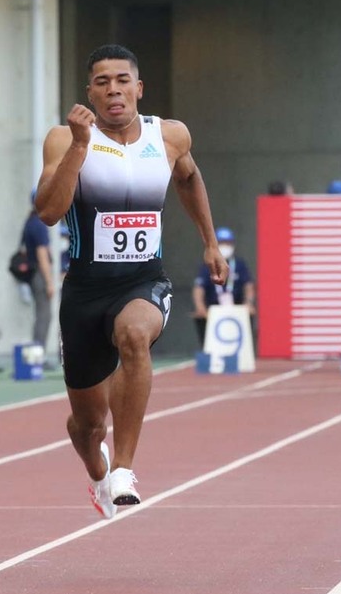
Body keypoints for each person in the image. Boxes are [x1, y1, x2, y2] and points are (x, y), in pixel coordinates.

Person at [34, 44, 228, 519]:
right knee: (86, 426)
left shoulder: (170, 135)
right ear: (90, 93)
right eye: (102, 82)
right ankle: (99, 474)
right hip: (84, 290)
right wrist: (81, 147)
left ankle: (123, 468)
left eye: (122, 80)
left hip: (143, 280)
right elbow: (48, 212)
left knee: (135, 336)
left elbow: (188, 177)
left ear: (138, 88)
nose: (113, 90)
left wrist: (209, 241)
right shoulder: (64, 139)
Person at [192, 226, 255, 346]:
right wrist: (200, 307)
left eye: (228, 243)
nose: (225, 246)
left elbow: (248, 285)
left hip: (236, 308)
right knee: (200, 316)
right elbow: (199, 288)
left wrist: (249, 303)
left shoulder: (240, 264)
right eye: (222, 243)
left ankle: (244, 349)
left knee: (250, 313)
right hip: (213, 308)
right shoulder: (207, 265)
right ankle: (207, 349)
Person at [21, 187, 55, 352]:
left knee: (40, 314)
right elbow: (42, 255)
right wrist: (49, 282)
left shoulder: (29, 222)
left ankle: (37, 352)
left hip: (33, 274)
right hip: (40, 276)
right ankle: (38, 354)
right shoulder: (39, 225)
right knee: (44, 316)